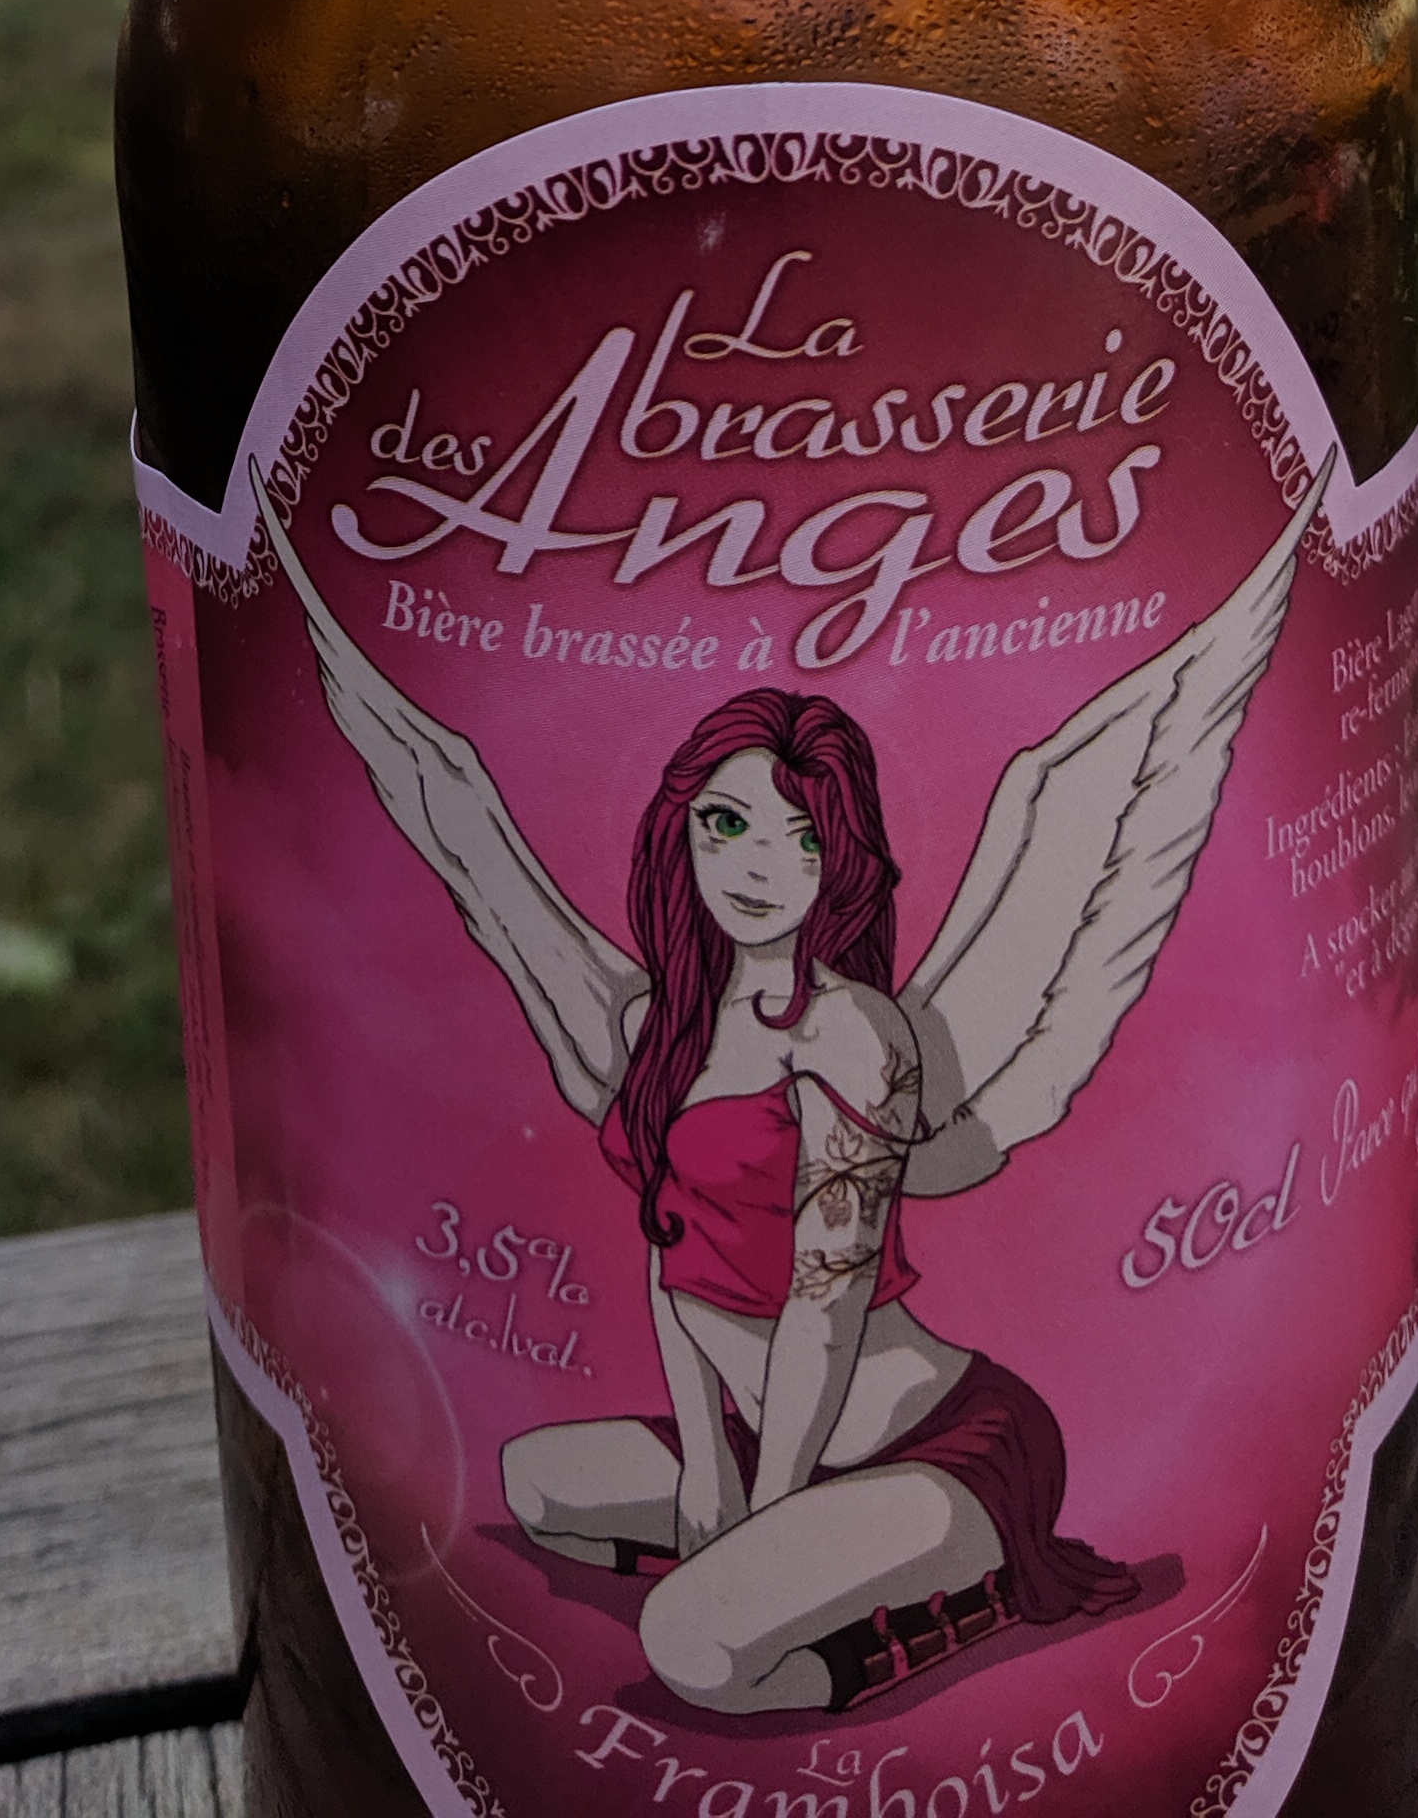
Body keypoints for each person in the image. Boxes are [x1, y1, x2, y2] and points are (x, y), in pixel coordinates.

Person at [267, 495, 1316, 1717]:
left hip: (933, 1441)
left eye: (799, 836)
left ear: (841, 856)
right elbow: (670, 1251)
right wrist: (709, 1467)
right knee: (538, 1480)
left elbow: (828, 1296)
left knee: (699, 1646)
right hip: (769, 1437)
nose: (756, 866)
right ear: (682, 831)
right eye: (726, 823)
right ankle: (811, 1566)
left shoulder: (854, 1035)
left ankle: (937, 1600)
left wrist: (764, 1513)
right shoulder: (653, 1027)